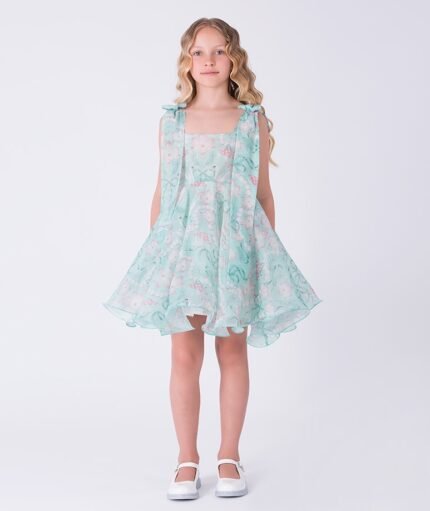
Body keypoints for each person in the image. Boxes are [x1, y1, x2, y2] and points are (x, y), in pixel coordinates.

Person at [102, 17, 322, 500]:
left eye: (218, 51)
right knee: (184, 354)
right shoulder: (172, 122)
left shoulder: (251, 120)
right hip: (184, 252)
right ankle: (186, 458)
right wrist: (161, 258)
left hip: (235, 252)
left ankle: (228, 455)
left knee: (232, 350)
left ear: (234, 58)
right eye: (198, 52)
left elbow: (263, 195)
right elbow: (164, 193)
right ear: (187, 61)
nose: (208, 61)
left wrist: (260, 260)